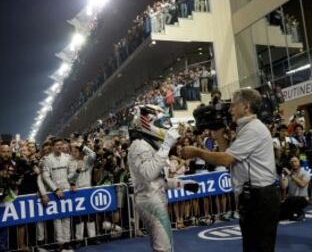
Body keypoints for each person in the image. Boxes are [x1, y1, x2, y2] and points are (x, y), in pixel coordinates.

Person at [182, 88, 280, 252]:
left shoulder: (253, 129)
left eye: (233, 105)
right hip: (254, 198)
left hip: (260, 198)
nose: (229, 110)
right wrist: (220, 135)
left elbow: (227, 159)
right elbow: (229, 157)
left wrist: (197, 152)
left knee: (260, 248)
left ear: (246, 107)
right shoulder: (245, 128)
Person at [128, 104, 198, 252]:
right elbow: (148, 174)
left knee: (163, 245)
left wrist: (182, 184)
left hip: (153, 197)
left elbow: (159, 181)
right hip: (150, 200)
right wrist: (166, 145)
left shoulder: (148, 145)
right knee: (164, 247)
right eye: (161, 123)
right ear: (147, 123)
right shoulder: (139, 145)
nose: (166, 127)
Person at [42, 138, 76, 252]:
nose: (59, 147)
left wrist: (72, 183)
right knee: (57, 218)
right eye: (57, 145)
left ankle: (67, 242)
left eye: (61, 145)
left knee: (67, 216)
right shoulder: (48, 159)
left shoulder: (67, 157)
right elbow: (45, 176)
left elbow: (72, 171)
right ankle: (60, 244)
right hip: (54, 191)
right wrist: (55, 189)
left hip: (66, 190)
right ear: (52, 147)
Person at [280, 156, 310, 221]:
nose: (294, 163)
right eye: (292, 162)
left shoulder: (304, 173)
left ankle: (299, 212)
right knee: (280, 214)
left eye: (295, 161)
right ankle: (293, 213)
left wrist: (290, 175)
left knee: (291, 201)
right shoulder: (289, 174)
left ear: (299, 162)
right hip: (290, 199)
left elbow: (302, 184)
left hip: (303, 199)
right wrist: (283, 176)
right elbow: (283, 186)